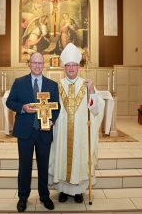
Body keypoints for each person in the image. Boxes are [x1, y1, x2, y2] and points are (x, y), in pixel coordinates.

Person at [48, 43, 104, 203]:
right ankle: (63, 190)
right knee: (62, 158)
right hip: (61, 132)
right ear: (63, 67)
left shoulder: (87, 85)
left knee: (79, 159)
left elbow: (97, 109)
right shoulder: (56, 86)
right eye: (68, 65)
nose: (71, 68)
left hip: (80, 133)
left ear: (78, 67)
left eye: (74, 65)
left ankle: (78, 191)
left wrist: (92, 92)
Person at [6, 52, 60, 212]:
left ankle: (44, 196)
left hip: (44, 132)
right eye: (34, 62)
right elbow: (10, 101)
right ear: (29, 64)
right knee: (24, 166)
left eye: (40, 63)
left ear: (44, 65)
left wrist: (51, 120)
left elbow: (57, 107)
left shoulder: (52, 85)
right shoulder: (19, 82)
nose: (37, 65)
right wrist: (22, 108)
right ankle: (23, 198)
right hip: (25, 132)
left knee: (43, 166)